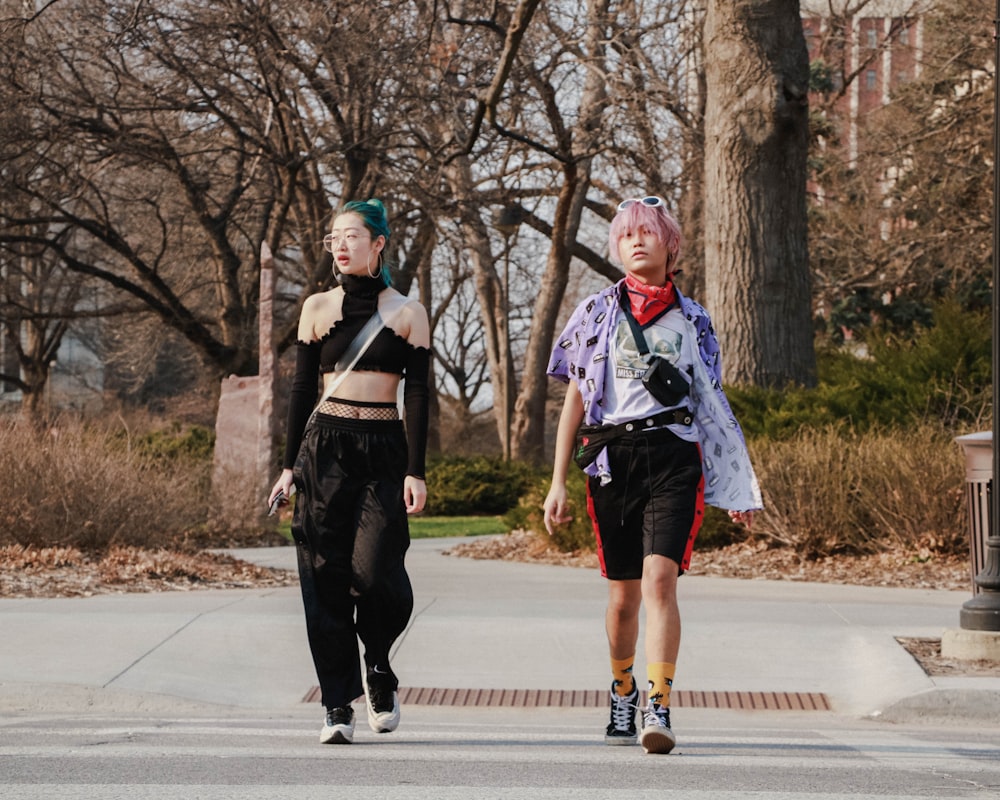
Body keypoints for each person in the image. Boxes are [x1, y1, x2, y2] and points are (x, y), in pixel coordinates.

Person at [542, 195, 761, 755]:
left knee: (661, 580)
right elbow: (575, 401)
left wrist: (734, 482)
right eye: (625, 235)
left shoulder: (695, 319)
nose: (636, 241)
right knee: (623, 598)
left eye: (647, 233)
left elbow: (712, 403)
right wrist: (557, 481)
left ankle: (658, 702)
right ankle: (622, 688)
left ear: (671, 245)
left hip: (674, 457)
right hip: (613, 461)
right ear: (617, 248)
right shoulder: (595, 314)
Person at [267, 198, 431, 745]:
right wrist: (289, 467)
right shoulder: (315, 308)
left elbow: (422, 395)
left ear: (378, 244)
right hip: (325, 449)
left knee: (378, 571)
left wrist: (415, 470)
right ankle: (337, 704)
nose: (340, 246)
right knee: (322, 575)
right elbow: (299, 391)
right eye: (334, 237)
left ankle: (378, 667)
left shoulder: (408, 313)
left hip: (382, 448)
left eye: (352, 236)